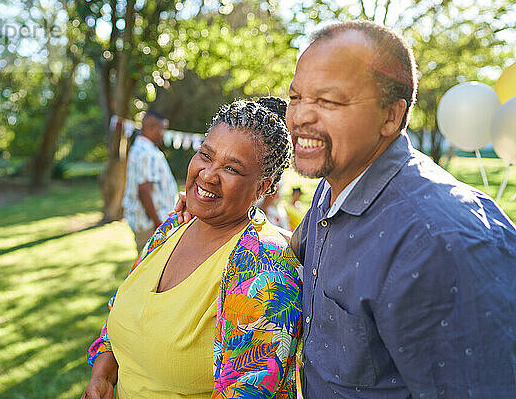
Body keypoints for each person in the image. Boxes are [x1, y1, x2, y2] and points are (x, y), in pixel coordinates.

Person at [286, 21, 516, 397]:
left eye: (328, 101)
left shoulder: (440, 242)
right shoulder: (336, 182)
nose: (300, 117)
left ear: (391, 116)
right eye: (296, 97)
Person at [82, 98, 302, 399]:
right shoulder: (172, 226)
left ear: (264, 187)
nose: (208, 174)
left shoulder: (264, 271)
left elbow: (247, 391)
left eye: (233, 169)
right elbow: (123, 312)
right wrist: (102, 377)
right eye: (206, 155)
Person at [122, 110, 178, 253]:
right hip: (149, 225)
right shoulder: (145, 152)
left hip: (153, 223)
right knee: (149, 270)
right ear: (151, 127)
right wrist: (158, 224)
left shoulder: (146, 149)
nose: (163, 134)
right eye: (162, 129)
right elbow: (143, 190)